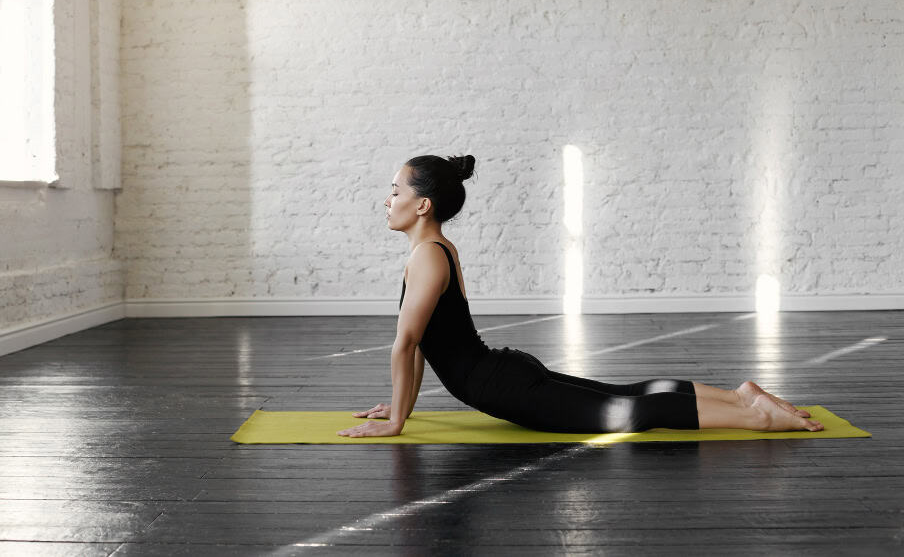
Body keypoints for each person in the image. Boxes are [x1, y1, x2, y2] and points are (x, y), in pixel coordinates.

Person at [337, 154, 824, 438]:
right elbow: (420, 342)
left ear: (422, 205)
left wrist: (397, 420)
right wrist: (401, 405)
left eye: (395, 190)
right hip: (505, 373)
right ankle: (741, 396)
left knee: (628, 414)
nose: (388, 198)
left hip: (502, 385)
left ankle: (754, 417)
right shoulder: (436, 249)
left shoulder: (426, 256)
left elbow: (405, 344)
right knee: (623, 396)